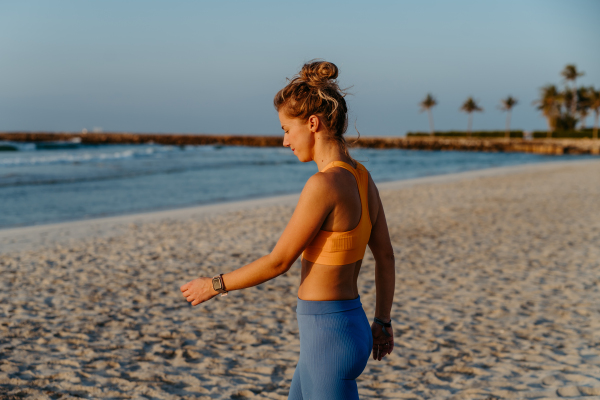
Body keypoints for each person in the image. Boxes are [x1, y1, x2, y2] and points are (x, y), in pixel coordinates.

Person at [180, 60, 396, 400]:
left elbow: (279, 261)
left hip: (328, 340)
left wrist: (214, 285)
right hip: (344, 329)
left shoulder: (323, 185)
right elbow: (385, 255)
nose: (284, 141)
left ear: (312, 123)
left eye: (285, 129)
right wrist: (383, 321)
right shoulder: (362, 177)